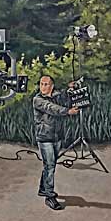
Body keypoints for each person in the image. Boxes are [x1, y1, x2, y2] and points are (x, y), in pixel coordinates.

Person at [32, 75, 79, 210]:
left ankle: (43, 189)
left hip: (57, 136)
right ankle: (50, 196)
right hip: (44, 137)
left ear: (52, 86)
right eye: (41, 84)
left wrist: (70, 89)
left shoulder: (56, 95)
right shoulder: (37, 100)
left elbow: (63, 95)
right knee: (50, 166)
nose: (43, 87)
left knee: (49, 165)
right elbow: (51, 108)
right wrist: (68, 111)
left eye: (46, 84)